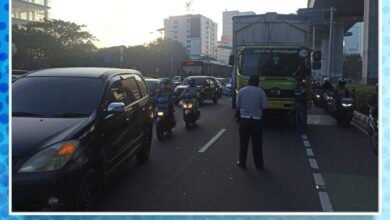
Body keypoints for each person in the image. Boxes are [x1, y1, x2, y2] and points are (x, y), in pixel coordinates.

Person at [236, 75, 268, 169]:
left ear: (249, 82)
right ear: (257, 82)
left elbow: (238, 105)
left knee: (243, 143)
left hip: (244, 120)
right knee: (257, 144)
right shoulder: (261, 92)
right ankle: (259, 164)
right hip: (256, 120)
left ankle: (242, 162)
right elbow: (265, 106)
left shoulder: (242, 91)